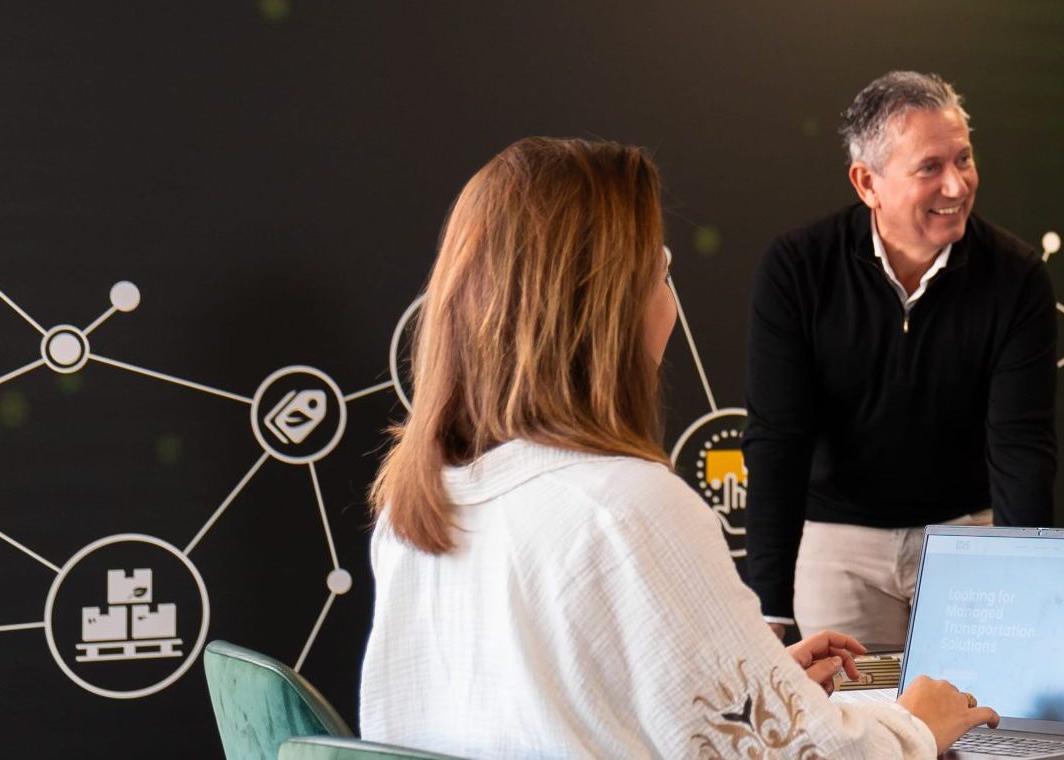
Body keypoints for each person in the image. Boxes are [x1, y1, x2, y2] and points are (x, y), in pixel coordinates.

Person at [360, 137, 998, 758]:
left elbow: (564, 716)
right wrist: (914, 724)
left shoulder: (413, 512)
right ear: (609, 304)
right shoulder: (629, 507)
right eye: (662, 272)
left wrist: (763, 687)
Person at [745, 71, 1058, 648]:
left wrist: (1024, 584)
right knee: (853, 724)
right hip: (840, 546)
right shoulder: (798, 267)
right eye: (930, 168)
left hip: (966, 537)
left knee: (976, 719)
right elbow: (777, 437)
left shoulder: (1016, 276)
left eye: (963, 159)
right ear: (868, 183)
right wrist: (768, 605)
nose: (957, 185)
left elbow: (1020, 446)